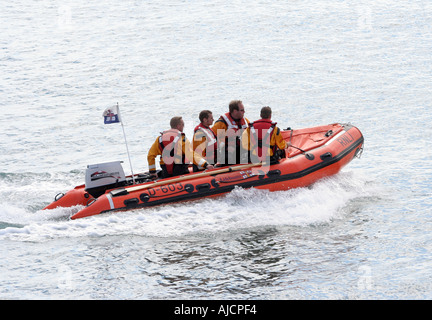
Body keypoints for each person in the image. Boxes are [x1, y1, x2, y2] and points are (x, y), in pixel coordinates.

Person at [147, 116, 214, 178]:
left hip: (166, 170)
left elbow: (150, 155)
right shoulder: (181, 138)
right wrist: (206, 164)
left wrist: (152, 172)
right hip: (180, 170)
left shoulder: (160, 139)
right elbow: (191, 154)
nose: (183, 127)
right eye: (183, 125)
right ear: (178, 126)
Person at [212, 100, 250, 165]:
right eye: (242, 110)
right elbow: (211, 138)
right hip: (228, 151)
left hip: (242, 149)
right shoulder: (221, 123)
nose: (244, 112)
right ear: (235, 111)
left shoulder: (245, 121)